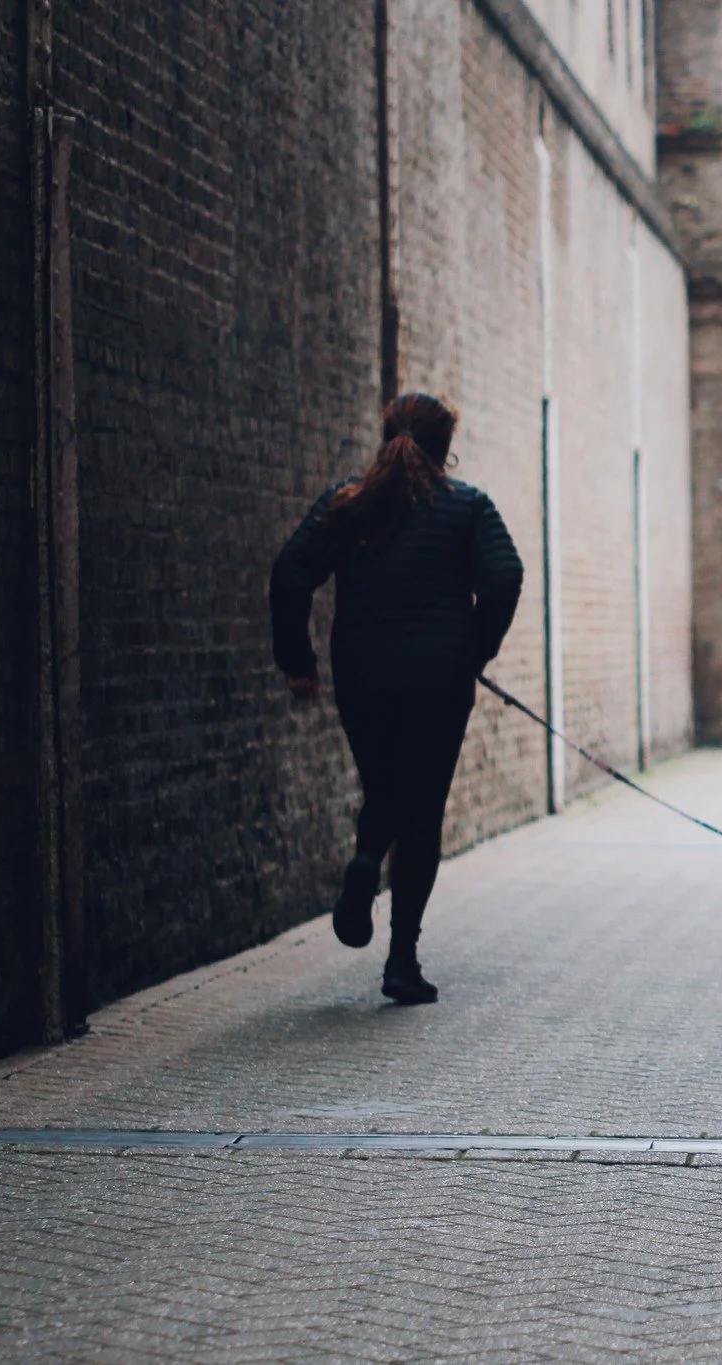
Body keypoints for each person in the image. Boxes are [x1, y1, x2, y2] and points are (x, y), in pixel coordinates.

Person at [271, 393, 523, 1005]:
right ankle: (401, 961)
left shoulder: (347, 503)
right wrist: (476, 649)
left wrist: (298, 662)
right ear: (445, 444)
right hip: (439, 678)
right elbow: (505, 576)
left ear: (386, 436)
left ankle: (363, 861)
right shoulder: (467, 507)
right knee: (421, 809)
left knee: (384, 786)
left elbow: (289, 574)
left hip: (363, 672)